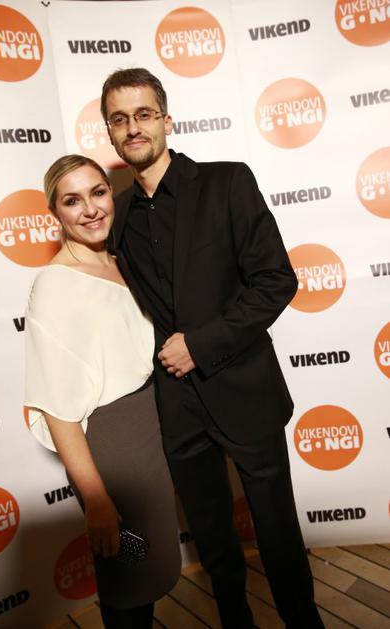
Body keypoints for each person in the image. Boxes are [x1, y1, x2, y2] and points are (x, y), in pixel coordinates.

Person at [100, 68, 325, 629]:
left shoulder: (227, 182)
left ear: (166, 120)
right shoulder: (117, 216)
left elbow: (276, 280)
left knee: (277, 534)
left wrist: (199, 345)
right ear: (109, 132)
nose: (133, 127)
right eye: (119, 119)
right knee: (213, 541)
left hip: (244, 389)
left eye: (144, 114)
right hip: (176, 405)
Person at [24, 154, 180, 629]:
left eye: (97, 193)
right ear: (55, 212)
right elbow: (58, 408)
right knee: (127, 581)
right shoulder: (54, 287)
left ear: (111, 194)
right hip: (111, 449)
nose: (90, 209)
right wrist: (95, 498)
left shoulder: (120, 262)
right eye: (72, 200)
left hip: (149, 432)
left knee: (150, 570)